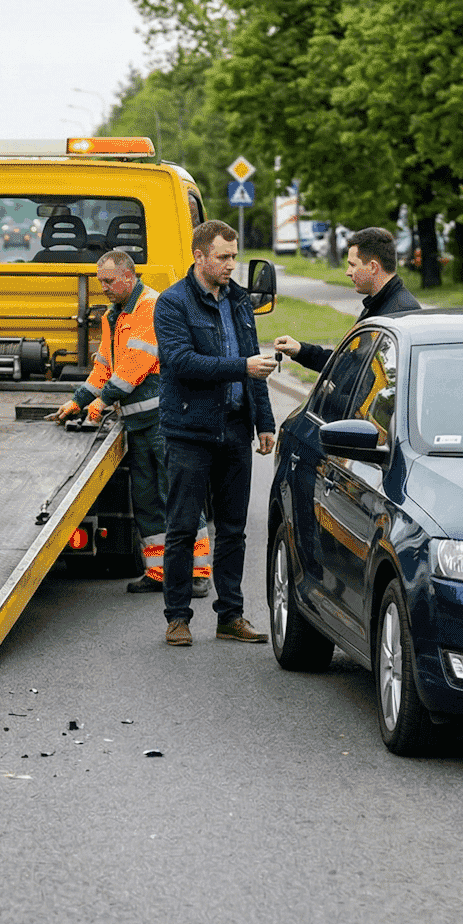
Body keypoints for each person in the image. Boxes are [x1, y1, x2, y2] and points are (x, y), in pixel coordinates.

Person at [154, 220, 277, 647]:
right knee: (182, 529)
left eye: (233, 256)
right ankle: (177, 618)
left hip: (236, 429)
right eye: (223, 257)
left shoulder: (239, 301)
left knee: (233, 530)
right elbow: (181, 362)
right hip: (190, 431)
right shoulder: (173, 303)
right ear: (199, 256)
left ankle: (231, 616)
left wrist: (264, 422)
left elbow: (254, 362)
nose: (230, 264)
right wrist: (242, 367)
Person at [51, 250, 196, 594]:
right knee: (145, 500)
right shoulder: (112, 315)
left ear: (129, 277)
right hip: (138, 424)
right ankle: (158, 572)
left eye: (109, 280)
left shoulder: (151, 307)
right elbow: (104, 366)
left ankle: (198, 574)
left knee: (176, 496)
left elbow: (134, 366)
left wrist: (102, 403)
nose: (103, 287)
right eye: (100, 281)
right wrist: (77, 401)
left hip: (163, 421)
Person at [272, 226, 421, 371]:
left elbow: (355, 373)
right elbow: (349, 364)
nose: (348, 272)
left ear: (373, 267)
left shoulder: (398, 316)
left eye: (352, 265)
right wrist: (301, 351)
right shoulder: (379, 303)